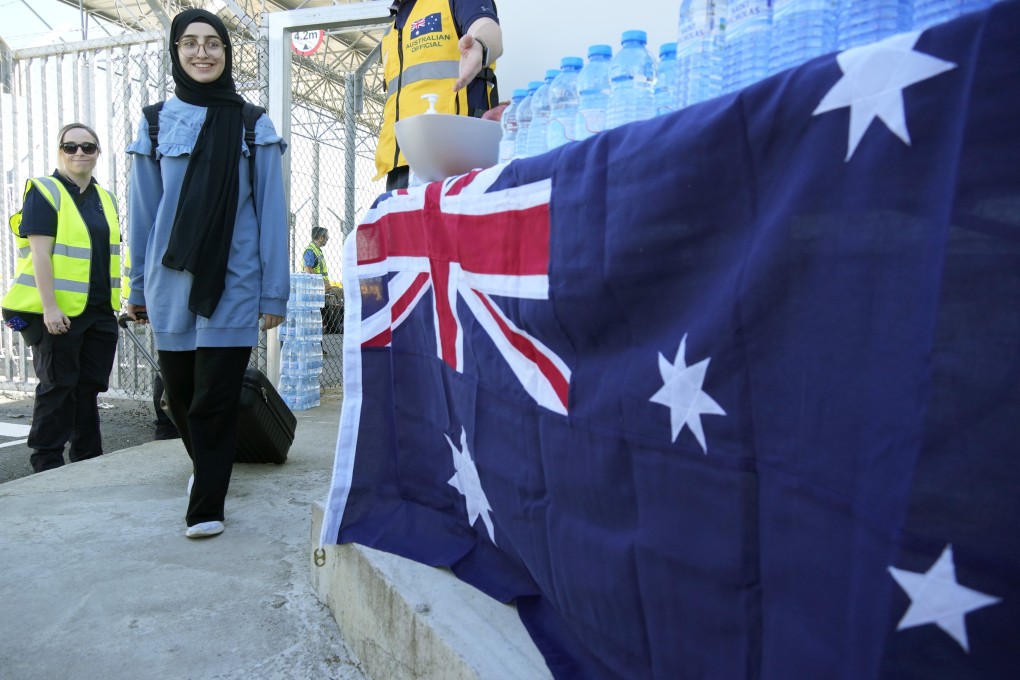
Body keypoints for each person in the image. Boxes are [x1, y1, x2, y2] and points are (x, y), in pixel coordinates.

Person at [125, 8, 289, 539]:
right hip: (169, 283)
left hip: (233, 283)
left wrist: (273, 294)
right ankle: (208, 470)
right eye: (190, 43)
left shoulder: (251, 122)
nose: (202, 52)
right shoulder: (154, 122)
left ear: (227, 52)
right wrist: (135, 287)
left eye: (213, 43)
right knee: (181, 397)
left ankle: (207, 505)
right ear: (175, 52)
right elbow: (144, 215)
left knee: (215, 397)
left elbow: (269, 215)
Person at [1, 123, 121, 473]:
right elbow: (40, 255)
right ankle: (47, 461)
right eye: (70, 147)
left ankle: (87, 459)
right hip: (57, 312)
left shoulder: (106, 199)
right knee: (58, 386)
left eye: (88, 147)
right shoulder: (45, 190)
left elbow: (108, 256)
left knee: (87, 388)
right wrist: (50, 308)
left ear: (98, 152)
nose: (79, 153)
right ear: (60, 152)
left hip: (99, 311)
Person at [377, 0, 503, 191]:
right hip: (401, 169)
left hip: (454, 158)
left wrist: (479, 46)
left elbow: (487, 28)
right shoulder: (390, 34)